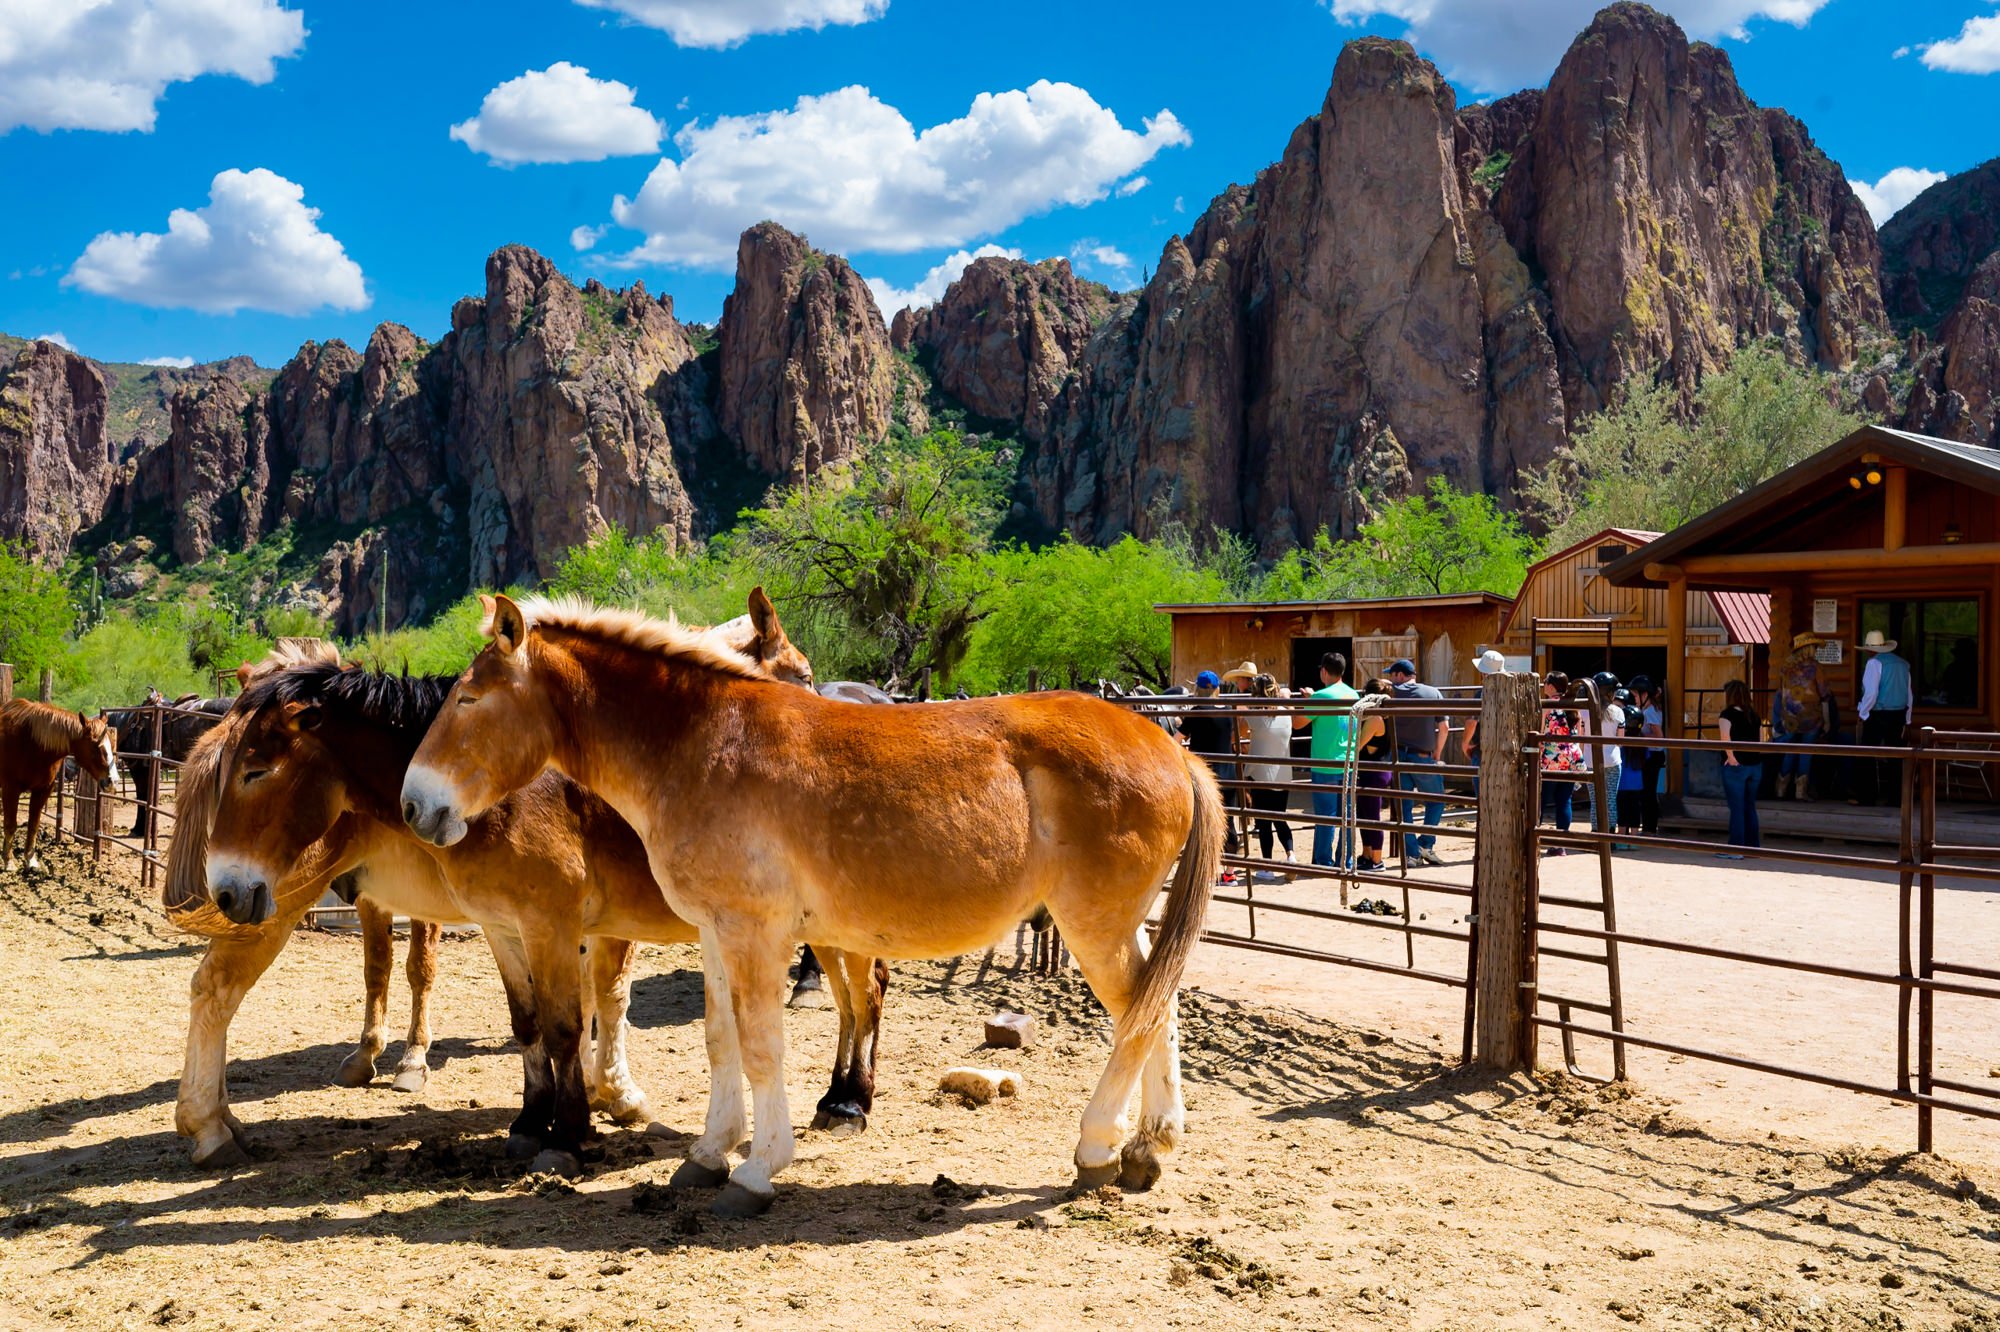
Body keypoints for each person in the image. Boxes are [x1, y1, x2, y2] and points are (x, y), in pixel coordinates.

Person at [1294, 652, 1358, 871]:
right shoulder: (1353, 695)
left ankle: (1323, 861)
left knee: (1326, 815)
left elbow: (1298, 724)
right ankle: (1346, 859)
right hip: (1348, 761)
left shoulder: (1321, 696)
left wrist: (1307, 701)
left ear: (1323, 671)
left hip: (1325, 763)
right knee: (1347, 814)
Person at [1179, 669, 1242, 875]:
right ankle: (1230, 871)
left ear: (1197, 688)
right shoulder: (1227, 713)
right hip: (1228, 774)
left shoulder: (1195, 712)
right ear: (1216, 689)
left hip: (1203, 776)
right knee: (1228, 821)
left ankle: (1202, 870)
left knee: (1200, 823)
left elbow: (1175, 741)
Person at [1386, 658, 1447, 868]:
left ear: (1400, 675)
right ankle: (1425, 844)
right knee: (1436, 800)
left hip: (1398, 756)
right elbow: (1444, 727)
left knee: (1404, 806)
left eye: (1391, 675)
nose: (1390, 680)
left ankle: (1412, 853)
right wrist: (1437, 754)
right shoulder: (1432, 693)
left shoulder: (1391, 693)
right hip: (1423, 756)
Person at [1240, 673, 1297, 881]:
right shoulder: (1285, 713)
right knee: (1280, 818)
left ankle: (1267, 865)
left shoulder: (1255, 715)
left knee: (1263, 821)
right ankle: (1291, 856)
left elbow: (1239, 731)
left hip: (1260, 774)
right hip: (1284, 774)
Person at [1852, 630, 1914, 808]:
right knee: (1896, 757)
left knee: (1866, 754)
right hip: (1899, 714)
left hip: (1878, 714)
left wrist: (1863, 714)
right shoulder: (1903, 664)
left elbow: (1871, 693)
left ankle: (1867, 797)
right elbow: (1909, 694)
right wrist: (1908, 720)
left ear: (1870, 649)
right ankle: (1897, 798)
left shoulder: (1874, 663)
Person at [1771, 631, 1831, 800]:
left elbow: (1781, 692)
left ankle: (1781, 789)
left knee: (1789, 750)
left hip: (1790, 717)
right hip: (1811, 717)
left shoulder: (1786, 667)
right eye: (1815, 647)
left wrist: (1780, 717)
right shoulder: (1816, 668)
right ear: (1809, 648)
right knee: (1806, 752)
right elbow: (1825, 695)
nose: (1816, 650)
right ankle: (1800, 791)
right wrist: (1827, 721)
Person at [1716, 678, 1764, 856]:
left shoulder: (1726, 715)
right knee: (1749, 807)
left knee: (1736, 808)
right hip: (1755, 765)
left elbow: (1725, 738)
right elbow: (1761, 741)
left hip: (1736, 766)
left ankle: (1736, 848)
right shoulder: (1754, 715)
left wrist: (1730, 756)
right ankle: (1752, 847)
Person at [1351, 677, 1394, 872]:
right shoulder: (1378, 716)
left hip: (1375, 771)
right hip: (1370, 770)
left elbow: (1357, 743)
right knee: (1364, 814)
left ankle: (1377, 859)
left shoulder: (1376, 718)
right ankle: (1367, 854)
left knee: (1372, 815)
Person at [1539, 672, 1584, 855]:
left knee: (1540, 800)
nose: (1543, 684)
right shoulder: (1573, 707)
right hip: (1571, 757)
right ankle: (1560, 844)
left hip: (1551, 758)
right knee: (1564, 800)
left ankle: (1533, 839)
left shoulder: (1548, 706)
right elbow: (1580, 734)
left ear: (1551, 686)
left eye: (1546, 682)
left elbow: (1541, 731)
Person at [1583, 670, 1625, 834]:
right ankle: (1609, 833)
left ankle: (1596, 832)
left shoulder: (1585, 711)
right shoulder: (1618, 712)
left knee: (1595, 800)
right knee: (1610, 800)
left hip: (1590, 760)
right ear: (1611, 692)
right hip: (1612, 759)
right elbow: (1620, 741)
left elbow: (1581, 736)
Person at [1461, 649, 1506, 794]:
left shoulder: (1482, 693)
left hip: (1483, 748)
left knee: (1482, 792)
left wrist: (1465, 743)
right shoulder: (1510, 690)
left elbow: (1472, 722)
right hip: (1507, 748)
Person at [1628, 675, 1667, 835]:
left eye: (1636, 695)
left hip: (1653, 755)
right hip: (1650, 755)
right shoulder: (1648, 710)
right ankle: (1649, 825)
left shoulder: (1650, 712)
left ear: (1645, 695)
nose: (1634, 698)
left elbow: (1659, 737)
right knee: (1646, 791)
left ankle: (1650, 827)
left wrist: (1639, 736)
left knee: (1648, 792)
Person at [1614, 687, 1645, 842]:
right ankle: (1633, 838)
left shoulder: (1620, 743)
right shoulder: (1641, 741)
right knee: (1634, 810)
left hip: (1621, 784)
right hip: (1637, 784)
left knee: (1622, 810)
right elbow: (1647, 757)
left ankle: (1621, 837)